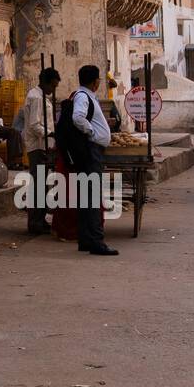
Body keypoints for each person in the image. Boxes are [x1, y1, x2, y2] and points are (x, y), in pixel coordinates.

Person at [70, 64, 117, 256]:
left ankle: (86, 239)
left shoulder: (87, 96)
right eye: (98, 79)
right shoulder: (83, 96)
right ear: (94, 81)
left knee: (87, 197)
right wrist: (92, 133)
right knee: (93, 196)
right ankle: (96, 241)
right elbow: (78, 117)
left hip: (92, 150)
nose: (99, 82)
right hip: (91, 151)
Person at [22, 68, 61, 235]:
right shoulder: (36, 97)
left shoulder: (41, 96)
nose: (53, 90)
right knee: (38, 185)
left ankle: (40, 219)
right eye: (52, 86)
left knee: (42, 184)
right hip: (37, 145)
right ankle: (35, 222)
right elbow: (35, 125)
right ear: (45, 83)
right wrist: (51, 133)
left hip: (43, 144)